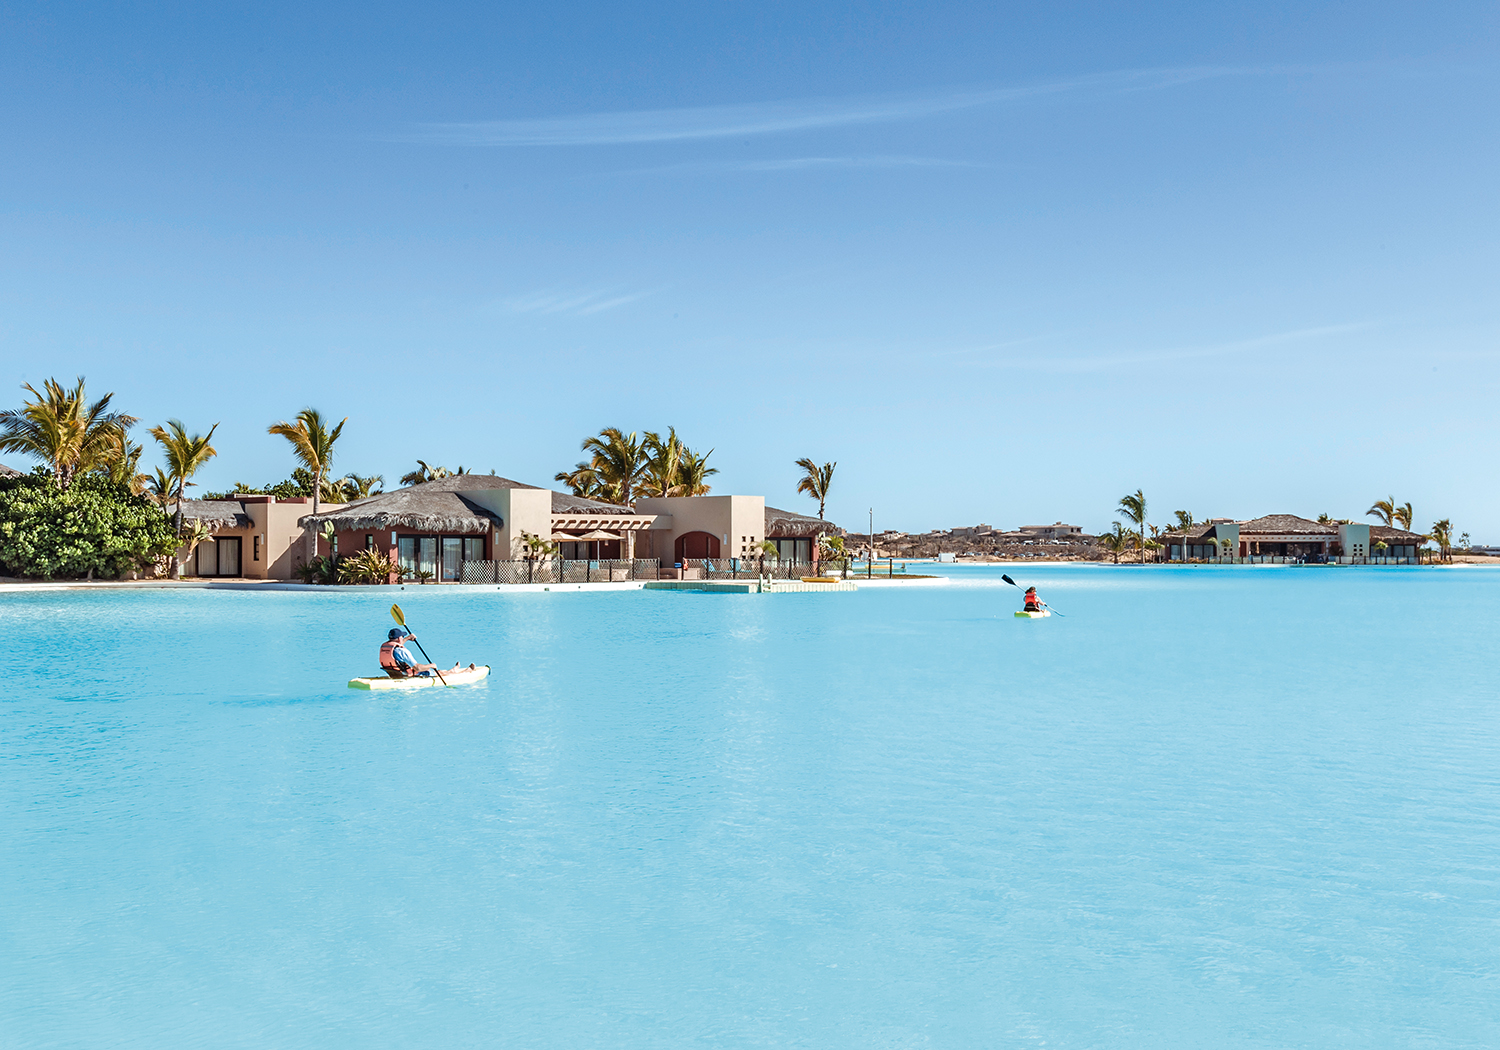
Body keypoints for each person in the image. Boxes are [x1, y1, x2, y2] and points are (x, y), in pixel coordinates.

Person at [379, 627, 472, 678]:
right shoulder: (403, 652)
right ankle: (466, 672)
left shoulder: (387, 647)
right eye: (403, 637)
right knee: (438, 673)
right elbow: (418, 668)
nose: (403, 638)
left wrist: (407, 638)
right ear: (399, 638)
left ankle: (453, 670)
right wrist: (431, 665)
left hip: (395, 674)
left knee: (439, 672)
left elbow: (398, 646)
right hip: (409, 675)